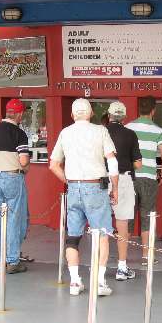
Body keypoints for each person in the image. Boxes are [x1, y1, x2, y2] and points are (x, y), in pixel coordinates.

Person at [49, 98, 119, 296]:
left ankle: (74, 282)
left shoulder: (65, 133)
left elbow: (53, 165)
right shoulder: (101, 131)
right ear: (91, 114)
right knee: (102, 235)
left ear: (72, 115)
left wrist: (69, 181)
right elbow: (112, 162)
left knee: (73, 236)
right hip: (95, 187)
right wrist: (115, 187)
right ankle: (99, 283)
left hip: (74, 187)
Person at [0, 98, 30, 274]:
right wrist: (25, 167)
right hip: (13, 177)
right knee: (14, 219)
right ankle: (12, 261)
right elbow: (24, 160)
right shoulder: (19, 133)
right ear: (19, 114)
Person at [126, 96, 162, 265]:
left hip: (130, 178)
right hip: (149, 178)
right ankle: (146, 256)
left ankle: (123, 258)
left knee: (127, 216)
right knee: (147, 216)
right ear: (153, 110)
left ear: (139, 110)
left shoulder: (128, 127)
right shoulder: (158, 130)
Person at [105, 101, 142, 281]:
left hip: (101, 179)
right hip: (123, 179)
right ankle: (121, 267)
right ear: (124, 117)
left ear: (108, 115)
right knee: (122, 224)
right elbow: (138, 164)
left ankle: (99, 268)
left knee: (100, 224)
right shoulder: (130, 134)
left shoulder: (100, 132)